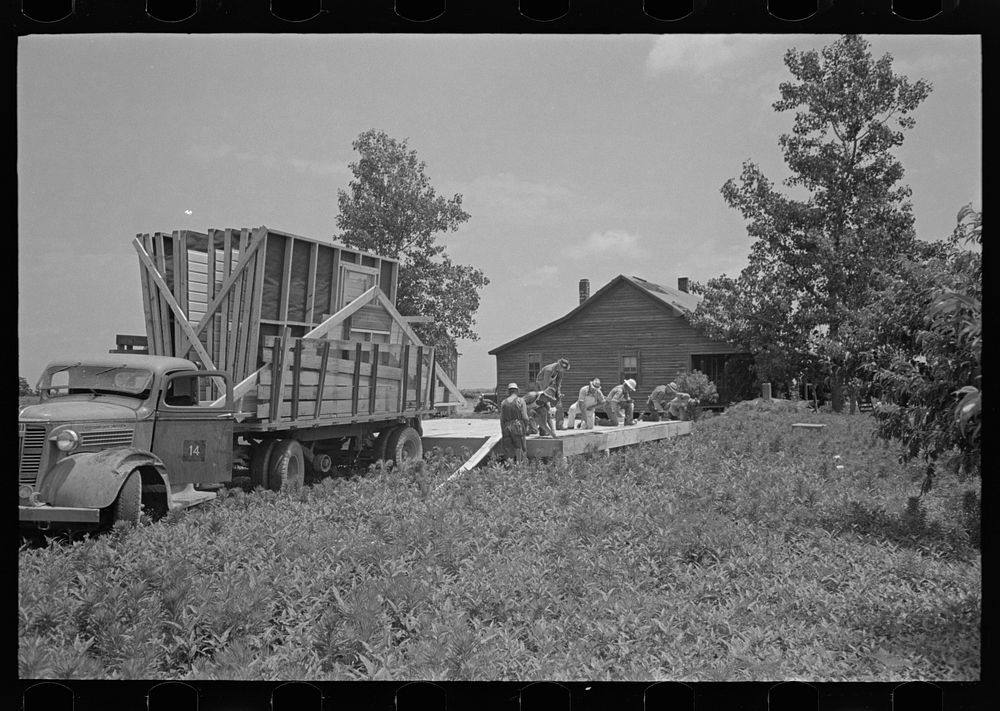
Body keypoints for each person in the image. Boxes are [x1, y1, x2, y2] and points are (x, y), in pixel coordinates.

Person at [534, 358, 570, 436]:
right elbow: (544, 385)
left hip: (551, 386)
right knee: (544, 407)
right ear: (558, 365)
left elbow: (558, 383)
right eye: (563, 369)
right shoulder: (549, 370)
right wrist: (546, 397)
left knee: (559, 404)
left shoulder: (560, 371)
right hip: (541, 386)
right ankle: (543, 429)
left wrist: (558, 394)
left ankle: (559, 425)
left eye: (564, 369)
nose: (563, 371)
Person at [499, 383, 530, 462]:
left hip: (506, 427)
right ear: (517, 391)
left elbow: (502, 419)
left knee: (508, 450)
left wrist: (503, 430)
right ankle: (519, 467)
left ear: (508, 392)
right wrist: (525, 428)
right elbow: (525, 417)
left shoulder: (503, 402)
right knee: (519, 448)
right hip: (517, 426)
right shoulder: (521, 401)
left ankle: (510, 467)